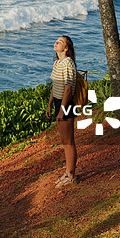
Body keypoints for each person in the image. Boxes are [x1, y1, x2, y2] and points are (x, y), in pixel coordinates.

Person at [46, 34, 77, 186]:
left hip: (66, 104)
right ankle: (67, 173)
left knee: (68, 142)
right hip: (59, 104)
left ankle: (71, 176)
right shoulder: (58, 63)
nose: (56, 42)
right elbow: (55, 86)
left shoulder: (68, 63)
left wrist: (61, 111)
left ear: (66, 48)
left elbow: (68, 89)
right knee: (64, 141)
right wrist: (50, 104)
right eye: (56, 40)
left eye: (61, 42)